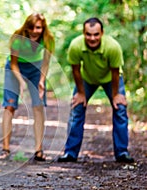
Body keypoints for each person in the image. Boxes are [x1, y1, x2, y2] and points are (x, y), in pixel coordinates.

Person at [57, 17, 134, 163]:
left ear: (102, 33)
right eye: (88, 34)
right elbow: (76, 70)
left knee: (120, 109)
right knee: (77, 108)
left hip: (110, 79)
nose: (92, 38)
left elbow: (115, 71)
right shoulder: (76, 45)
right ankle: (70, 153)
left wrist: (116, 94)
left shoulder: (112, 47)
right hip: (87, 78)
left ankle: (122, 152)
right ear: (83, 33)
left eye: (96, 34)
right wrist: (80, 93)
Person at [0, 13, 55, 161]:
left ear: (43, 28)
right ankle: (5, 149)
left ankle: (39, 151)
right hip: (15, 68)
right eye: (32, 27)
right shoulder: (18, 38)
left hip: (36, 68)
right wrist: (21, 82)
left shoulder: (48, 39)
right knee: (9, 106)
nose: (35, 30)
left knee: (38, 106)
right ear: (27, 27)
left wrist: (41, 80)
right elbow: (14, 63)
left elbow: (46, 62)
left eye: (39, 28)